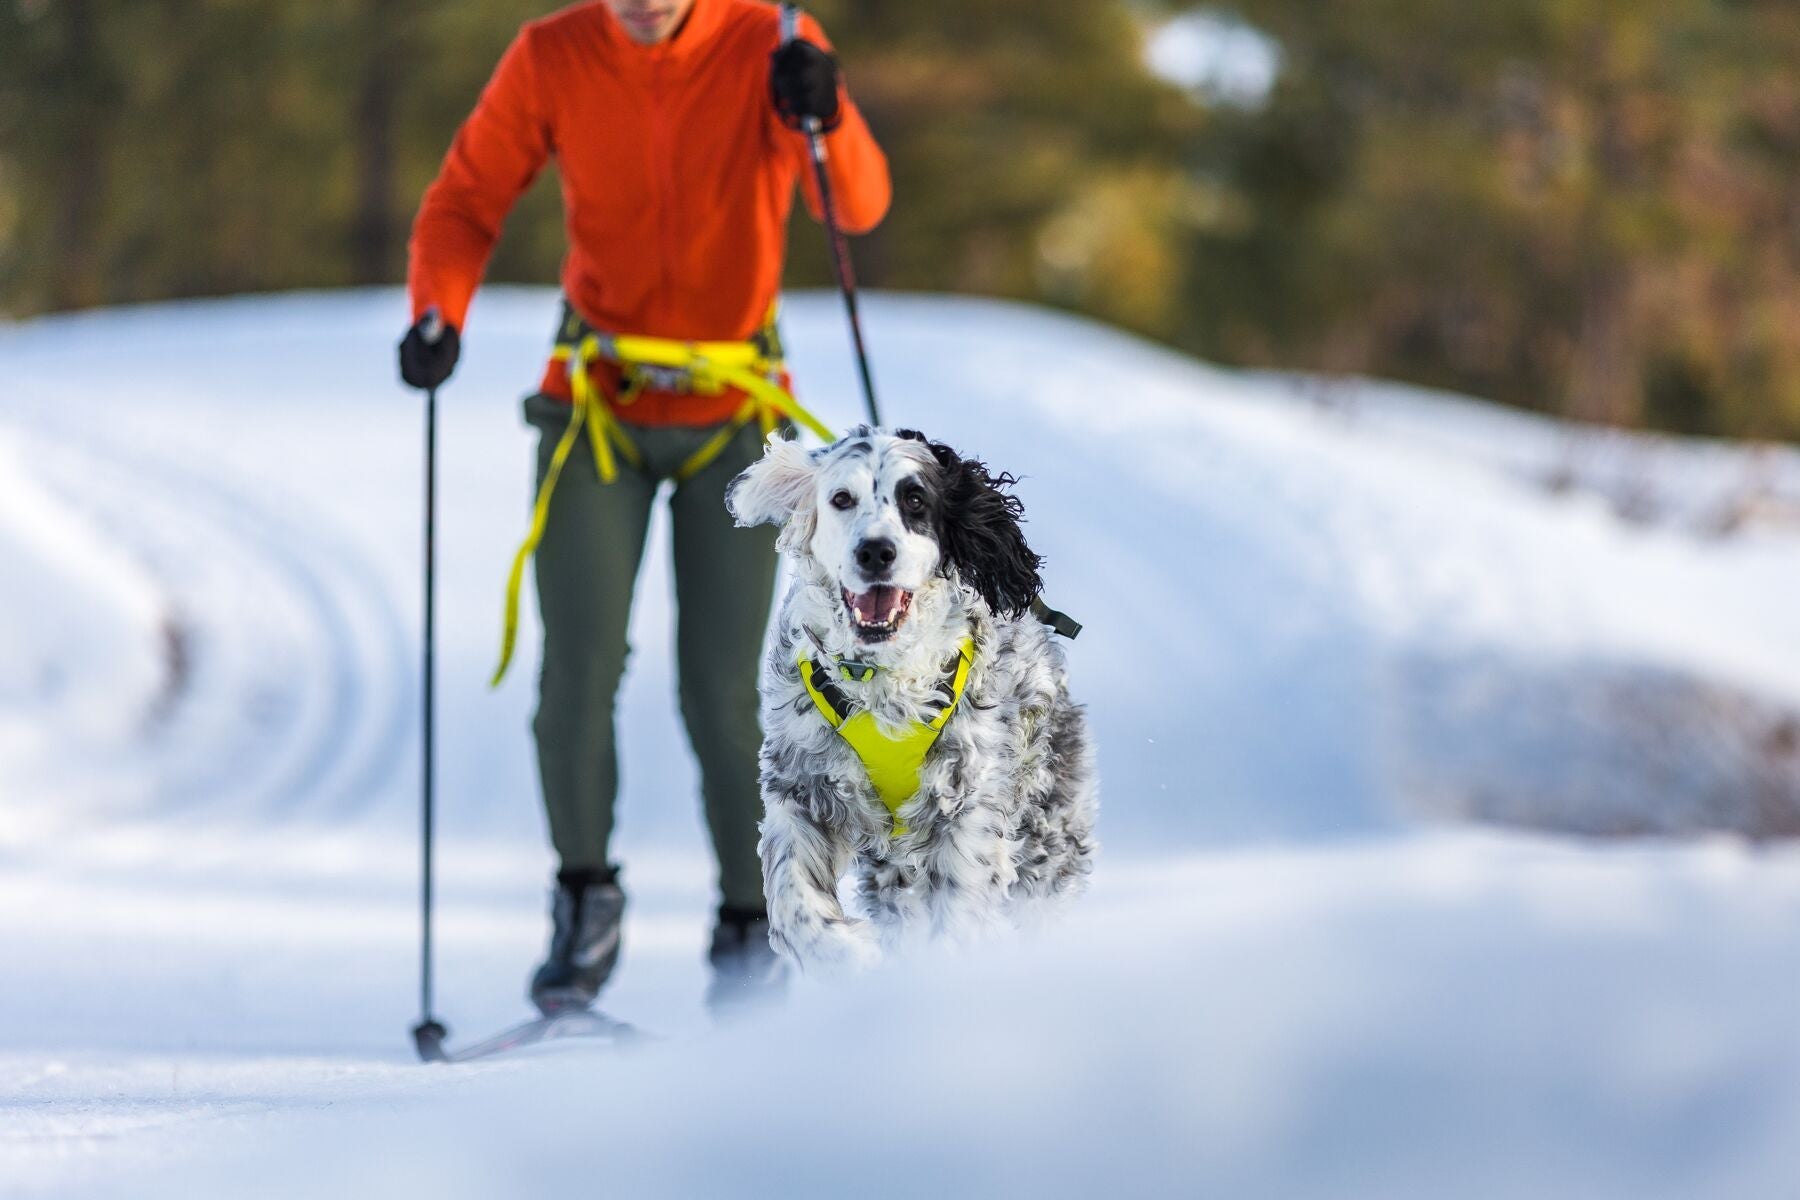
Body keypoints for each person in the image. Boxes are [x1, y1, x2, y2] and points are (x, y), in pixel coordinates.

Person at [397, 0, 890, 1014]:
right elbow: (465, 200)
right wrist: (438, 307)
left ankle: (752, 923)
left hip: (732, 415)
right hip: (599, 404)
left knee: (721, 688)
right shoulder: (553, 54)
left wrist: (827, 114)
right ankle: (585, 899)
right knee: (576, 669)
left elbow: (858, 208)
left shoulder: (773, 39)